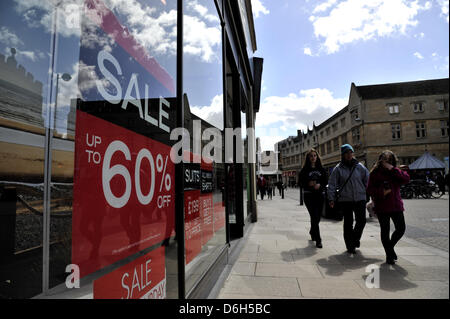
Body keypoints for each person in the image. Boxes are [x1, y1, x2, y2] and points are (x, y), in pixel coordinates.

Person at [367, 150, 410, 265]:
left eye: (389, 159)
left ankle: (389, 248)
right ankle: (389, 255)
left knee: (401, 228)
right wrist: (382, 192)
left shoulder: (395, 171)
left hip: (396, 205)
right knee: (385, 231)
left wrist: (393, 169)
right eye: (385, 159)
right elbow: (369, 189)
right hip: (382, 206)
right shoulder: (375, 173)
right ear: (380, 160)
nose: (387, 162)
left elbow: (406, 179)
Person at [327, 144, 369, 254]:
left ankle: (354, 239)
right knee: (348, 223)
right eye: (346, 153)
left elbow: (367, 180)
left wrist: (369, 193)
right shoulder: (338, 169)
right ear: (343, 155)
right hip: (345, 199)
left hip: (360, 198)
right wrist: (331, 199)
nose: (349, 155)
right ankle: (350, 245)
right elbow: (331, 184)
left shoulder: (360, 167)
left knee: (362, 221)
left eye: (351, 152)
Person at [299, 149, 328, 248]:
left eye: (315, 155)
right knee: (314, 216)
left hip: (319, 195)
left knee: (317, 217)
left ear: (317, 157)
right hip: (309, 196)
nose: (313, 157)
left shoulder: (321, 169)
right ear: (308, 158)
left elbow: (326, 181)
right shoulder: (304, 170)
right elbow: (300, 183)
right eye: (311, 156)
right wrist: (308, 183)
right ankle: (318, 240)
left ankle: (312, 231)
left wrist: (320, 185)